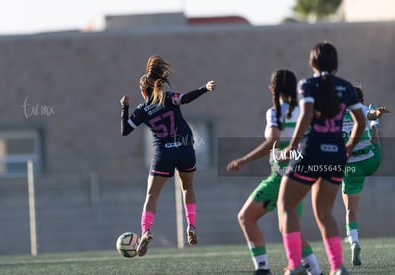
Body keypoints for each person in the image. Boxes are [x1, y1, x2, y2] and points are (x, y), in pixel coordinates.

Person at [276, 41, 366, 275]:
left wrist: (292, 145)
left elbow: (306, 114)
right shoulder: (346, 87)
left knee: (286, 205)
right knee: (326, 213)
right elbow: (361, 122)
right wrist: (348, 147)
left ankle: (294, 265)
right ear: (335, 63)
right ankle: (337, 267)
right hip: (336, 153)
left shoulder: (308, 84)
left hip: (311, 150)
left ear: (312, 62)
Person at [227, 70, 323, 275]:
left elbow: (273, 141)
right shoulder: (304, 112)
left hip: (281, 177)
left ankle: (262, 269)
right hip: (302, 176)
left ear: (272, 89)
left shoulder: (274, 112)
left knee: (246, 217)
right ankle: (315, 270)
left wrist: (243, 160)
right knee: (289, 227)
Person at [120, 55, 216, 256]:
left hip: (164, 152)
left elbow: (125, 130)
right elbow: (186, 98)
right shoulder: (168, 97)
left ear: (142, 91)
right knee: (187, 187)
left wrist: (124, 107)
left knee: (152, 195)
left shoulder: (142, 110)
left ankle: (146, 231)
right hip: (185, 148)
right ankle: (192, 225)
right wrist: (204, 88)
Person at [341, 86, 390, 266]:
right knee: (374, 139)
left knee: (350, 210)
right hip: (370, 162)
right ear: (360, 101)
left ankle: (354, 241)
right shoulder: (361, 108)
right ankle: (376, 129)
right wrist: (377, 114)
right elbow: (372, 114)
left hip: (351, 167)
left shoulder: (338, 114)